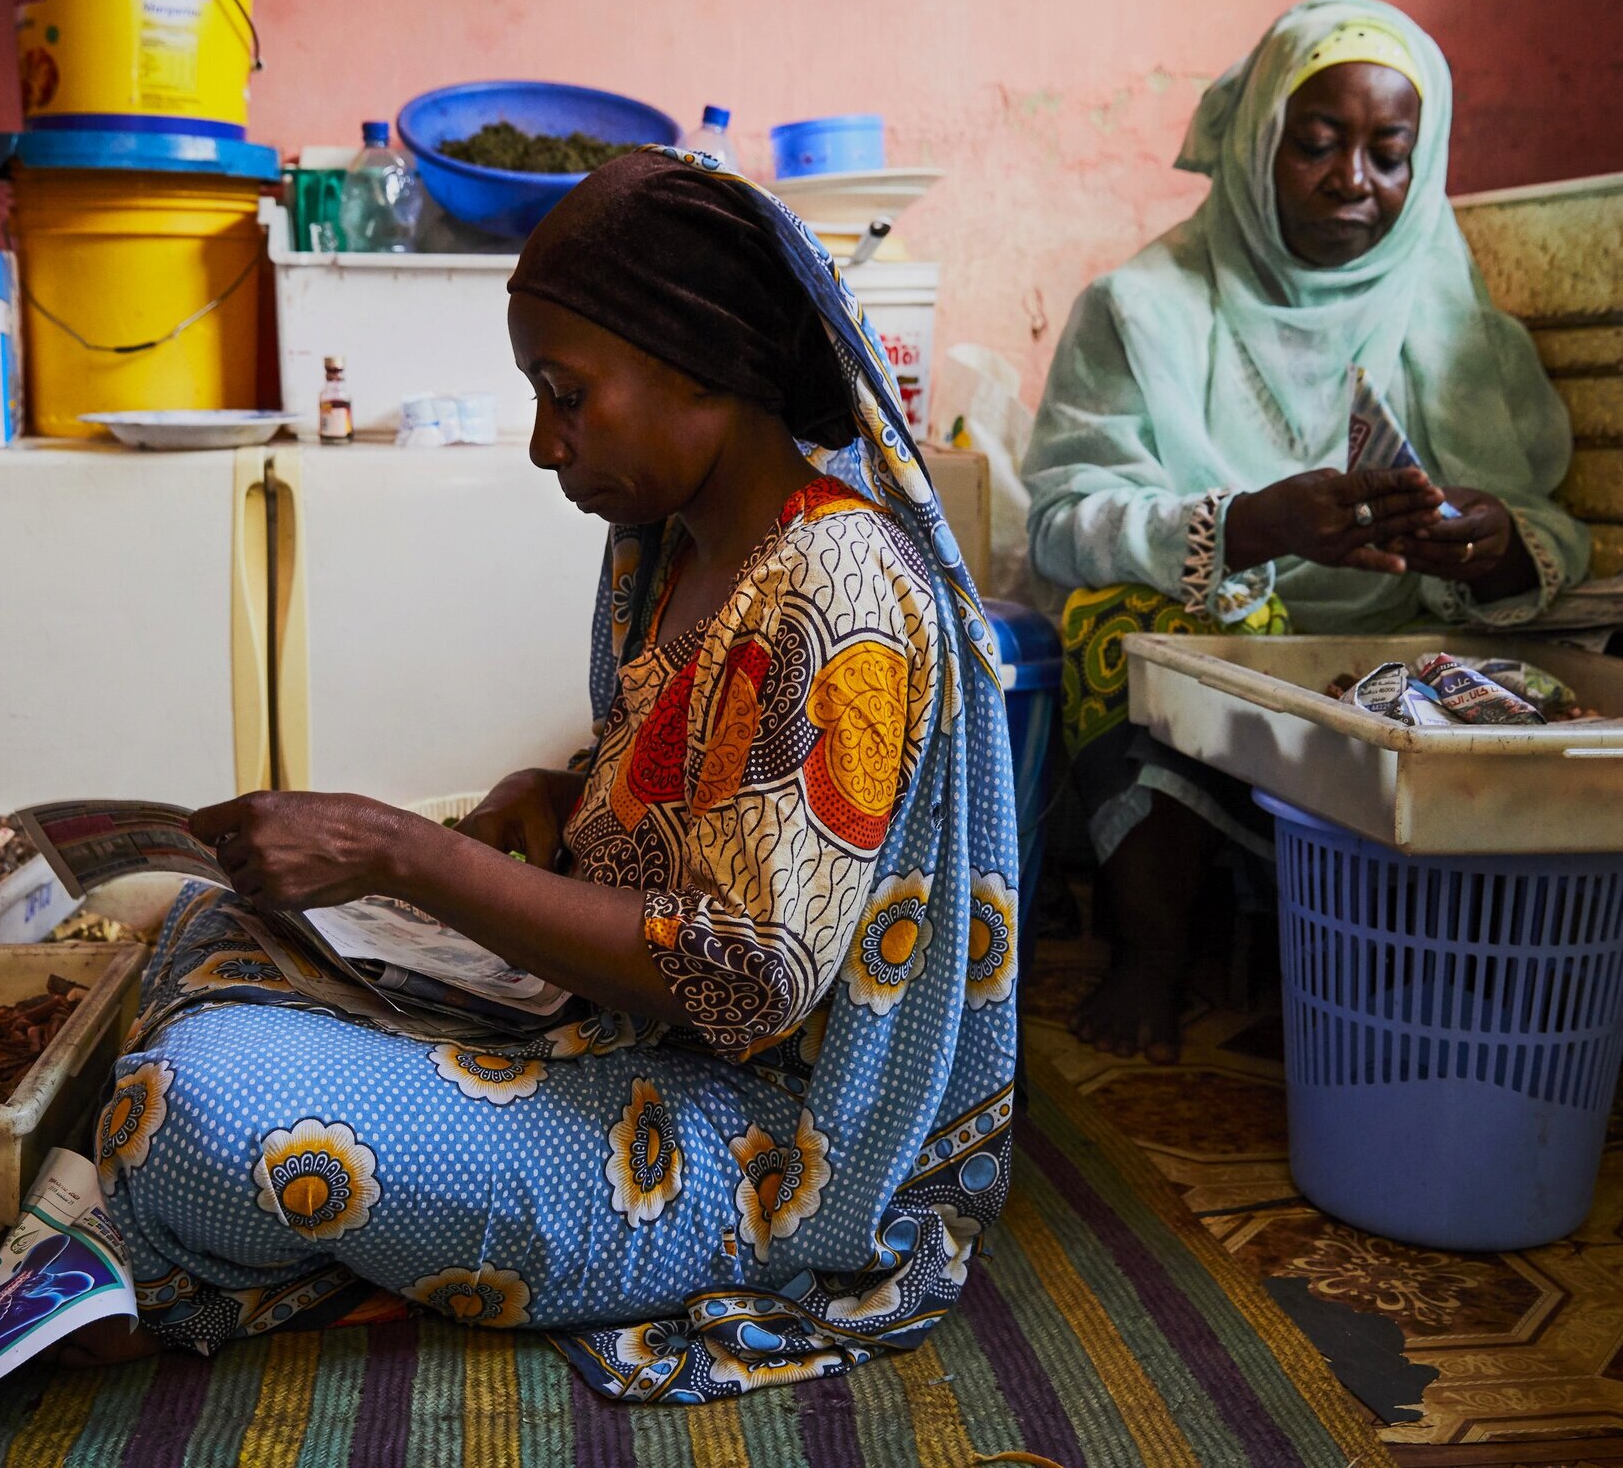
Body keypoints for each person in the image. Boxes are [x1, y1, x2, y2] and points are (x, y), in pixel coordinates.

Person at [71, 149, 1020, 1404]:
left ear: (704, 366)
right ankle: (298, 1221)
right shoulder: (673, 544)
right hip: (605, 1032)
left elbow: (745, 980)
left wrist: (409, 854)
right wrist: (565, 793)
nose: (541, 443)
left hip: (753, 1142)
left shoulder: (834, 585)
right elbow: (710, 788)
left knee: (196, 1105)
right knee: (199, 924)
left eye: (565, 393)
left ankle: (241, 1243)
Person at [1023, 0, 1590, 1063]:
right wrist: (1240, 526)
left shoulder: (1454, 326)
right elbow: (1061, 522)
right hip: (1219, 649)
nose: (1353, 183)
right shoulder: (1143, 308)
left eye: (1389, 153)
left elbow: (1552, 528)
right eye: (1318, 144)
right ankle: (1152, 947)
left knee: (1547, 656)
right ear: (1255, 147)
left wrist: (1490, 540)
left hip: (1393, 652)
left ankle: (1356, 952)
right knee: (1114, 616)